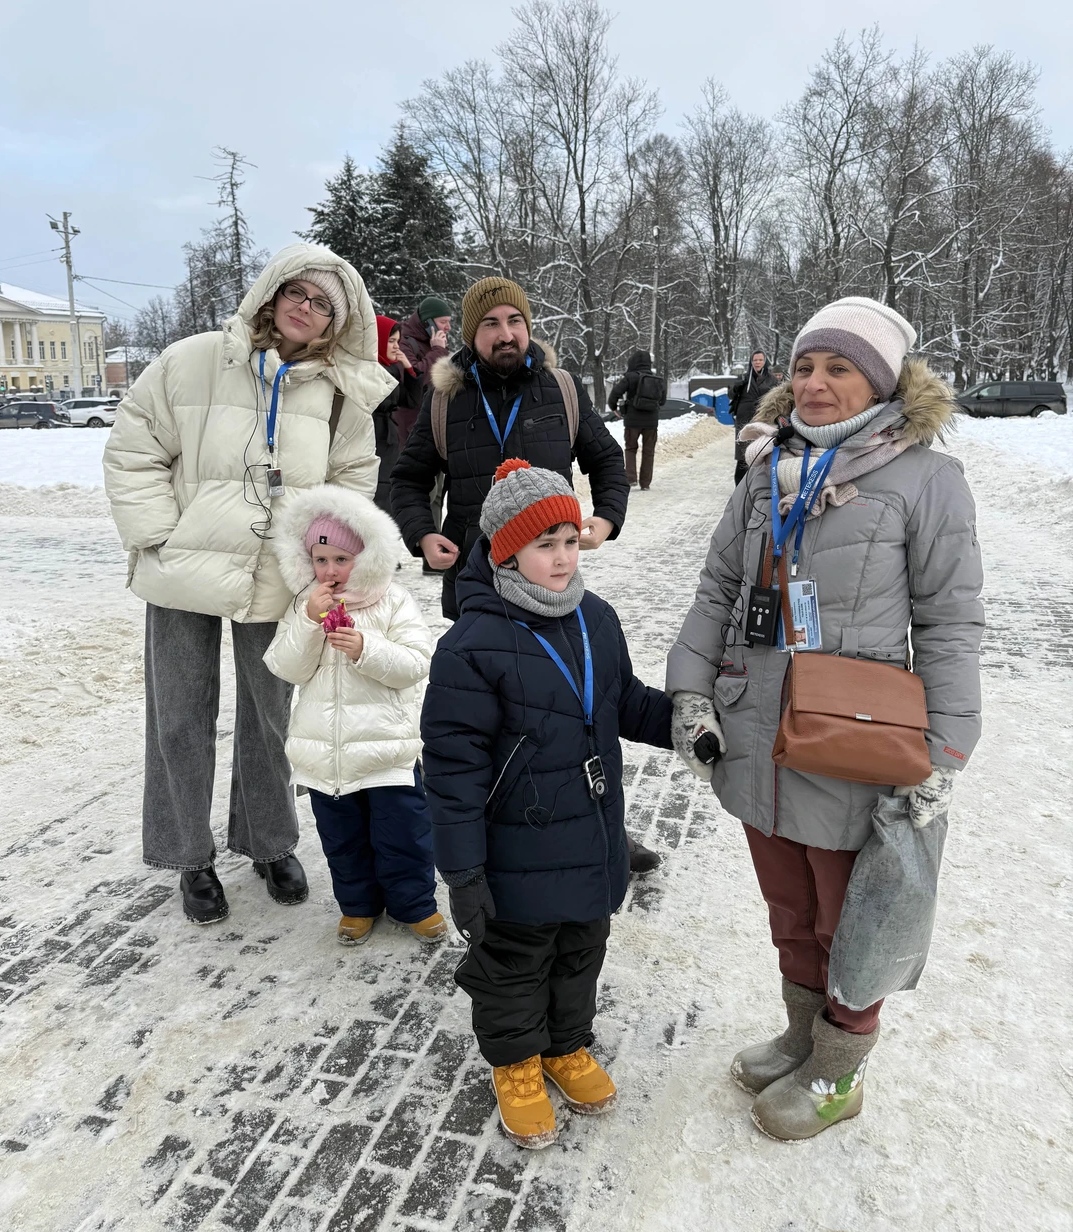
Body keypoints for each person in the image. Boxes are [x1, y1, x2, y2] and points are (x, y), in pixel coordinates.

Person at [667, 295, 983, 1140]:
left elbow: (951, 623)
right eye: (805, 366)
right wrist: (692, 692)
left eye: (839, 368)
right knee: (789, 909)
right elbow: (716, 593)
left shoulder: (926, 479)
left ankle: (841, 1073)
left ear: (880, 381)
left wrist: (946, 749)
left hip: (853, 742)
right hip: (757, 732)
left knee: (855, 919)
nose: (814, 383)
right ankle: (804, 1037)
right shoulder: (766, 469)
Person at [103, 244, 394, 925]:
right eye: (298, 292)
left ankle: (268, 841)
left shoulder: (339, 394)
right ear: (271, 293)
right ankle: (188, 856)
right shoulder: (193, 359)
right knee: (178, 717)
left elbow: (354, 476)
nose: (307, 308)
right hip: (185, 571)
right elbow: (135, 443)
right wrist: (161, 533)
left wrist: (330, 560)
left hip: (281, 577)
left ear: (335, 323)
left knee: (271, 717)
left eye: (325, 304)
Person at [421, 459, 673, 1148]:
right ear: (506, 551)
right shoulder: (471, 647)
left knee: (581, 951)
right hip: (514, 853)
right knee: (514, 965)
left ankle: (565, 1045)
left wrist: (686, 724)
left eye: (570, 540)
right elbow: (451, 772)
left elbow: (625, 701)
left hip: (589, 836)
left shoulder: (596, 618)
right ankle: (516, 1064)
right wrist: (463, 873)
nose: (562, 558)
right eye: (544, 545)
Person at [390, 276, 661, 877]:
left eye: (515, 321)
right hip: (477, 588)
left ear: (529, 326)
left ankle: (599, 823)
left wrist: (608, 517)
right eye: (490, 324)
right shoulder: (444, 399)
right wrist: (421, 532)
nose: (506, 333)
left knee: (575, 713)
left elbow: (606, 460)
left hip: (551, 588)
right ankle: (481, 835)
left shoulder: (559, 389)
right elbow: (406, 479)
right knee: (484, 721)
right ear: (470, 334)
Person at [263, 487, 444, 946]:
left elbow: (416, 662)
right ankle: (357, 906)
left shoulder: (393, 601)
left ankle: (415, 904)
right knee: (343, 840)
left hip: (387, 750)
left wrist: (367, 648)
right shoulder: (305, 604)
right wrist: (306, 622)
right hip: (328, 755)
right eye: (320, 561)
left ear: (364, 557)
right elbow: (284, 667)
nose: (329, 571)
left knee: (403, 836)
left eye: (341, 560)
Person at [372, 315, 419, 515]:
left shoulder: (389, 370)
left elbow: (411, 400)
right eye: (391, 341)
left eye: (398, 341)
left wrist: (408, 368)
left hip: (389, 441)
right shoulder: (369, 371)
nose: (396, 347)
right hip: (376, 439)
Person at [393, 294, 453, 447]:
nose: (448, 327)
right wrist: (438, 350)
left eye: (449, 322)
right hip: (409, 428)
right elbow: (414, 377)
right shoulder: (402, 340)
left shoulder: (433, 342)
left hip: (433, 423)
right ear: (428, 322)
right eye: (443, 322)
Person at [607, 350, 667, 490]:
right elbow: (662, 401)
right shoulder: (657, 379)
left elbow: (615, 393)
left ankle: (631, 478)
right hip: (651, 422)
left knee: (630, 449)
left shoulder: (630, 377)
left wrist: (614, 407)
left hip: (632, 421)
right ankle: (645, 484)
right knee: (648, 451)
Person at [728, 351, 778, 485]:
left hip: (764, 419)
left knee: (762, 452)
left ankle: (761, 485)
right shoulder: (744, 378)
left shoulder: (772, 380)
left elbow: (778, 398)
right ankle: (740, 486)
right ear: (751, 362)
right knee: (743, 455)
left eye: (760, 360)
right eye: (755, 360)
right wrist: (735, 387)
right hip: (744, 419)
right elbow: (731, 395)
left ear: (765, 361)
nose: (757, 363)